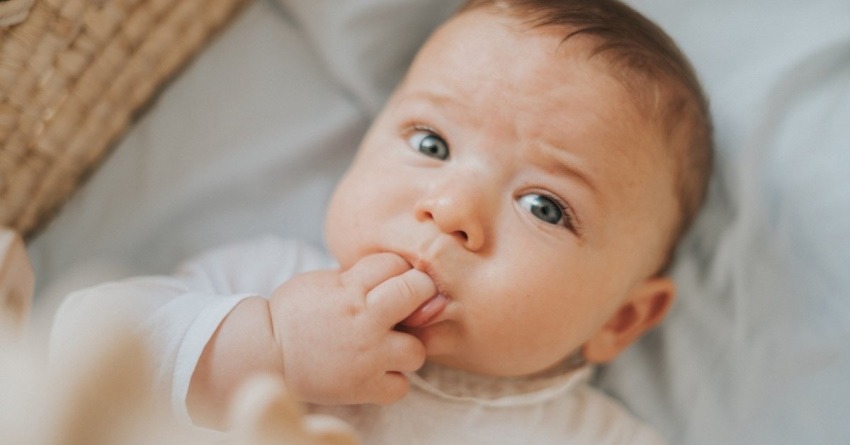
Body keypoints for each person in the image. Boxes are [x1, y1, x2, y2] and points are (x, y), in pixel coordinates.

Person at [52, 0, 713, 443]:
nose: (451, 209)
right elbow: (82, 340)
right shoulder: (271, 283)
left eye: (544, 206)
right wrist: (272, 348)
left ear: (621, 319)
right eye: (430, 144)